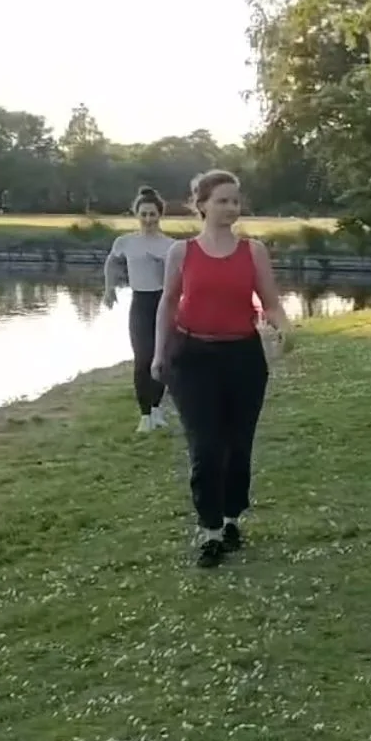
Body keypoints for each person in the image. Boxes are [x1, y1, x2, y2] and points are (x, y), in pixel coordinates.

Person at [152, 170, 293, 568]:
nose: (231, 207)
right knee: (206, 446)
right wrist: (158, 354)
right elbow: (167, 303)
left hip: (243, 359)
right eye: (222, 201)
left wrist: (284, 327)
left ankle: (232, 519)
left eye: (235, 200)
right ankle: (210, 530)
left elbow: (271, 302)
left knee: (237, 445)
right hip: (192, 357)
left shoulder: (254, 251)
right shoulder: (182, 253)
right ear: (201, 205)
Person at [103, 185, 175, 433]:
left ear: (159, 215)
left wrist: (162, 267)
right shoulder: (126, 242)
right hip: (140, 304)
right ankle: (144, 415)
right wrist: (109, 289)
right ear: (137, 214)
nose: (148, 219)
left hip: (162, 303)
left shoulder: (170, 246)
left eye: (152, 214)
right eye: (143, 214)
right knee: (142, 359)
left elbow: (178, 280)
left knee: (161, 359)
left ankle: (156, 409)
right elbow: (111, 262)